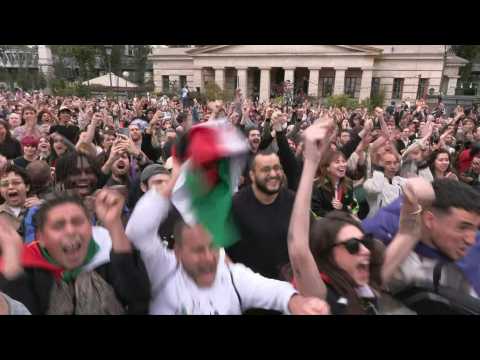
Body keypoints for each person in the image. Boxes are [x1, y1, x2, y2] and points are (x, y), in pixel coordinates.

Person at [125, 176, 330, 315]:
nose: (208, 257)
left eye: (212, 247)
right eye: (197, 250)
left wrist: (298, 303)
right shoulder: (162, 268)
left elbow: (272, 291)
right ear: (177, 252)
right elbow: (138, 231)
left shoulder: (230, 275)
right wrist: (170, 184)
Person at [287, 119, 432, 314]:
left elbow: (408, 233)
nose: (365, 250)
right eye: (353, 246)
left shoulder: (371, 282)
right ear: (328, 253)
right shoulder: (321, 296)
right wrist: (311, 162)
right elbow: (298, 250)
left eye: (364, 242)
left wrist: (412, 200)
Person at [0, 189, 151, 314]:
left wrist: (114, 225)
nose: (71, 230)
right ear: (42, 238)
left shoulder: (107, 254)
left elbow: (138, 299)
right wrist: (12, 266)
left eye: (78, 222)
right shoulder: (29, 270)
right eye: (58, 225)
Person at [363, 179, 480, 303]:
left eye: (476, 228)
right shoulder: (379, 235)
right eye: (462, 227)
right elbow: (359, 300)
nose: (471, 240)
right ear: (430, 220)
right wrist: (406, 237)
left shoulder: (471, 246)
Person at [228, 150, 294, 281]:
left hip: (288, 288)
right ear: (252, 175)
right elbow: (221, 251)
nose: (273, 174)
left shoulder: (293, 201)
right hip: (249, 290)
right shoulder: (235, 206)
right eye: (266, 170)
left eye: (277, 168)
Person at [363, 151, 406, 217]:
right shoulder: (370, 182)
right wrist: (378, 170)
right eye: (388, 163)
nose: (392, 166)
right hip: (377, 224)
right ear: (380, 165)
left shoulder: (400, 181)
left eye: (395, 163)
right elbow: (376, 188)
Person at [0, 164, 40, 234]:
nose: (10, 187)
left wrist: (45, 208)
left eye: (16, 183)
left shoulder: (41, 209)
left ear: (27, 187)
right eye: (5, 184)